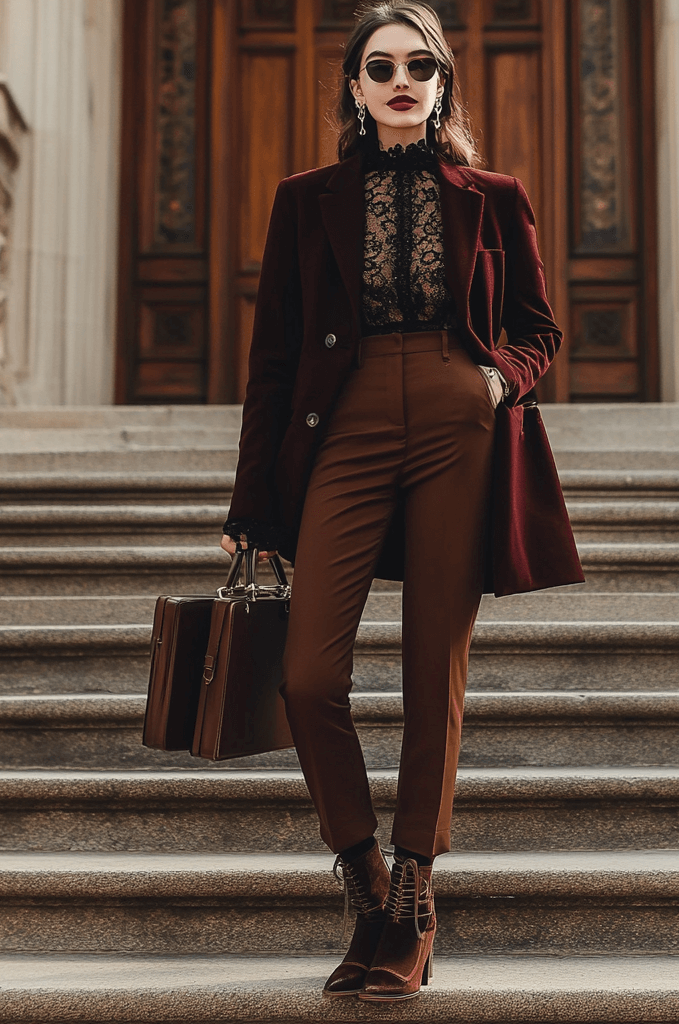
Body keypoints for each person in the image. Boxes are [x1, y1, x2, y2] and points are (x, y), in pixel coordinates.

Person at [221, 0, 566, 1002]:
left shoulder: (492, 196)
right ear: (355, 85)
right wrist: (252, 500)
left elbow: (539, 325)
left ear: (444, 81)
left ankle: (415, 892)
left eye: (421, 64)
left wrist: (499, 378)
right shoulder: (306, 198)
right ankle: (362, 875)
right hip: (347, 421)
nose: (402, 79)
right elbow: (273, 358)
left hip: (459, 420)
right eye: (381, 66)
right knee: (310, 673)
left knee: (433, 672)